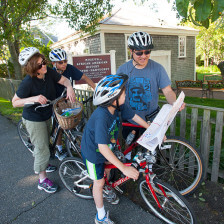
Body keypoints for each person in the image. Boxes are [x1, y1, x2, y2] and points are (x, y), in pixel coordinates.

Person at [81, 74, 150, 224]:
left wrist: (148, 127)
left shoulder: (118, 107)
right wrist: (124, 169)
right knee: (98, 182)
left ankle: (106, 185)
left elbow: (133, 116)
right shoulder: (101, 117)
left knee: (107, 169)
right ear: (113, 98)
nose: (126, 94)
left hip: (106, 148)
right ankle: (100, 216)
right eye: (124, 92)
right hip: (94, 152)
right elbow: (102, 148)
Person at [12, 47, 76, 193]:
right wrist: (34, 98)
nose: (44, 65)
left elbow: (65, 80)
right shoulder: (28, 82)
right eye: (40, 64)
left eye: (44, 62)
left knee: (46, 143)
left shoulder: (49, 73)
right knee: (42, 149)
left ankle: (45, 163)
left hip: (47, 113)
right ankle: (42, 180)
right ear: (34, 68)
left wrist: (70, 88)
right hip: (34, 118)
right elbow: (14, 102)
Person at [117, 31, 185, 160]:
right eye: (139, 52)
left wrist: (175, 103)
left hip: (151, 119)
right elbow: (118, 94)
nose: (144, 56)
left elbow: (168, 91)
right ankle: (128, 169)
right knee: (129, 145)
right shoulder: (123, 70)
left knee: (150, 152)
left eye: (147, 52)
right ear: (131, 51)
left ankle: (148, 177)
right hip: (130, 119)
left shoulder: (157, 68)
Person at [49, 48, 96, 160]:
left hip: (69, 102)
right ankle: (59, 149)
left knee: (78, 120)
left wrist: (95, 89)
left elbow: (84, 77)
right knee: (58, 127)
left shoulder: (69, 69)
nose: (64, 64)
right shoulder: (51, 74)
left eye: (65, 61)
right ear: (53, 63)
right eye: (61, 62)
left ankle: (77, 141)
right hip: (55, 104)